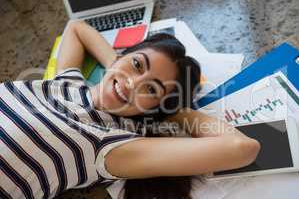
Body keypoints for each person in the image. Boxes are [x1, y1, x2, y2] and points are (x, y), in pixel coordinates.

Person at [0, 21, 260, 199]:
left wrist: (173, 109)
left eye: (151, 90)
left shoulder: (109, 143)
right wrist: (116, 67)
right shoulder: (66, 82)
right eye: (137, 64)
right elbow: (76, 28)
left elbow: (243, 148)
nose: (133, 84)